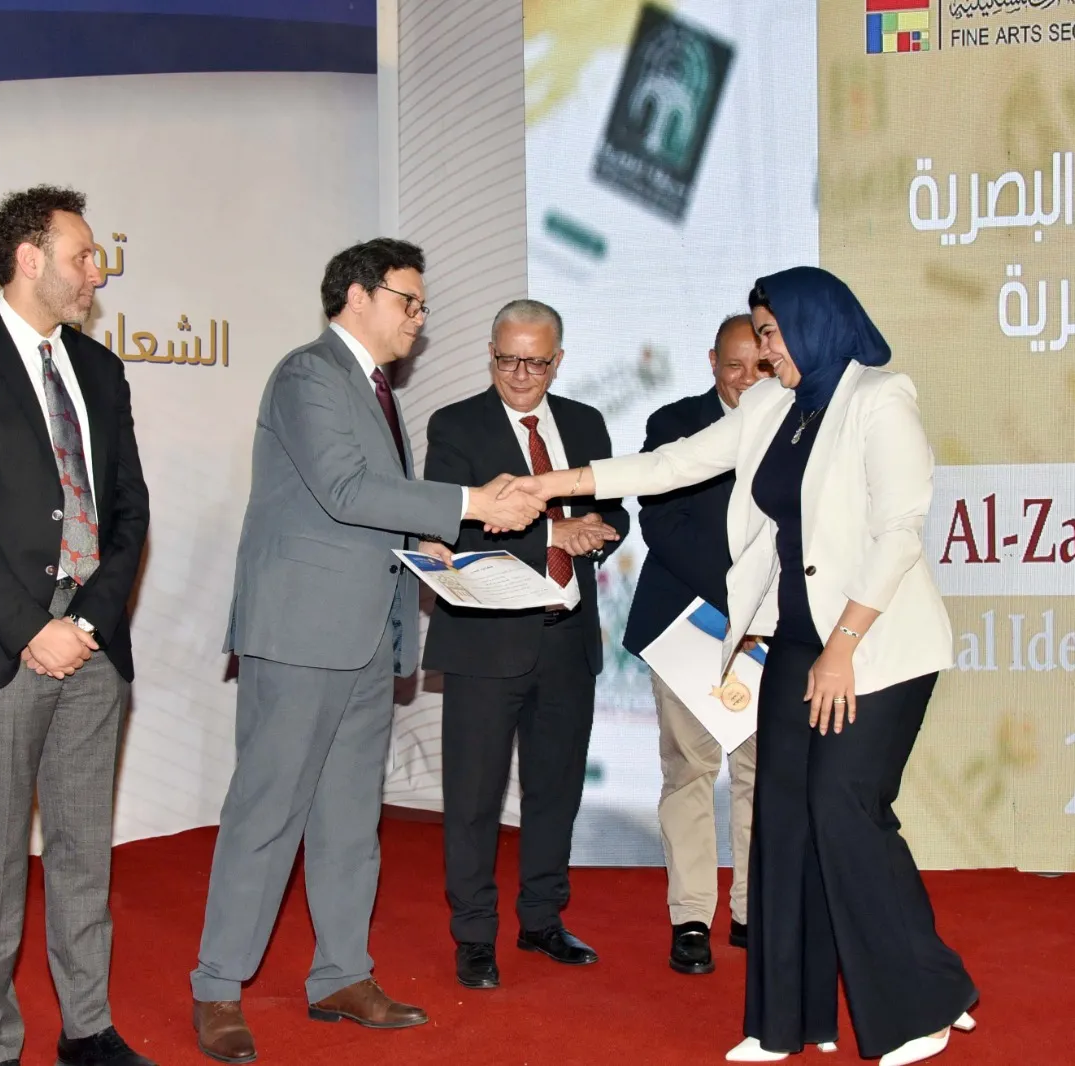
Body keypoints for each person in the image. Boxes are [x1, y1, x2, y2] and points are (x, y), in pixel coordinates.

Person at [497, 266, 979, 1066]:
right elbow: (668, 466)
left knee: (844, 808)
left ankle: (924, 1000)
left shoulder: (879, 399)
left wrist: (842, 647)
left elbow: (900, 531)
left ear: (815, 323)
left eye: (771, 333)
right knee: (784, 822)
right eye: (757, 335)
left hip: (875, 644)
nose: (763, 352)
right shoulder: (770, 407)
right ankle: (785, 1021)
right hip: (794, 639)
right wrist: (551, 485)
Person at [190, 239, 545, 1065]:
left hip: (365, 635)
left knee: (352, 818)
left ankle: (342, 975)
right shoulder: (309, 374)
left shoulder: (376, 389)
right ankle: (217, 986)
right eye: (408, 301)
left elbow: (362, 508)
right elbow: (345, 489)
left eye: (423, 305)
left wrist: (427, 541)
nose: (420, 318)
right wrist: (471, 503)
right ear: (357, 295)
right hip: (301, 635)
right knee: (267, 814)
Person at [0, 186, 154, 1066]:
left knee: (85, 851)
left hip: (94, 644)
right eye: (84, 256)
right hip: (2, 645)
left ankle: (88, 1029)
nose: (98, 272)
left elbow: (129, 511)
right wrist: (29, 629)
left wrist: (86, 619)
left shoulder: (101, 370)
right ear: (29, 258)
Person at [418, 299, 629, 991]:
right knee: (473, 800)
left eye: (535, 362)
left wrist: (598, 531)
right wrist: (551, 535)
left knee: (554, 793)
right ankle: (474, 935)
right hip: (485, 643)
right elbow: (450, 525)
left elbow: (616, 507)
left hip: (568, 640)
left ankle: (541, 920)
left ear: (557, 360)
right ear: (491, 352)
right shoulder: (456, 425)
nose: (519, 374)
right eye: (507, 359)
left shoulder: (586, 423)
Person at [622, 313, 770, 976]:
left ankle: (751, 910)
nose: (746, 379)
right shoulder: (674, 423)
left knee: (762, 775)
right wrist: (742, 600)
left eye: (759, 366)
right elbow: (663, 525)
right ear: (712, 362)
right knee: (689, 771)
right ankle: (690, 917)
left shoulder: (798, 425)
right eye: (733, 366)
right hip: (689, 625)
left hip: (770, 633)